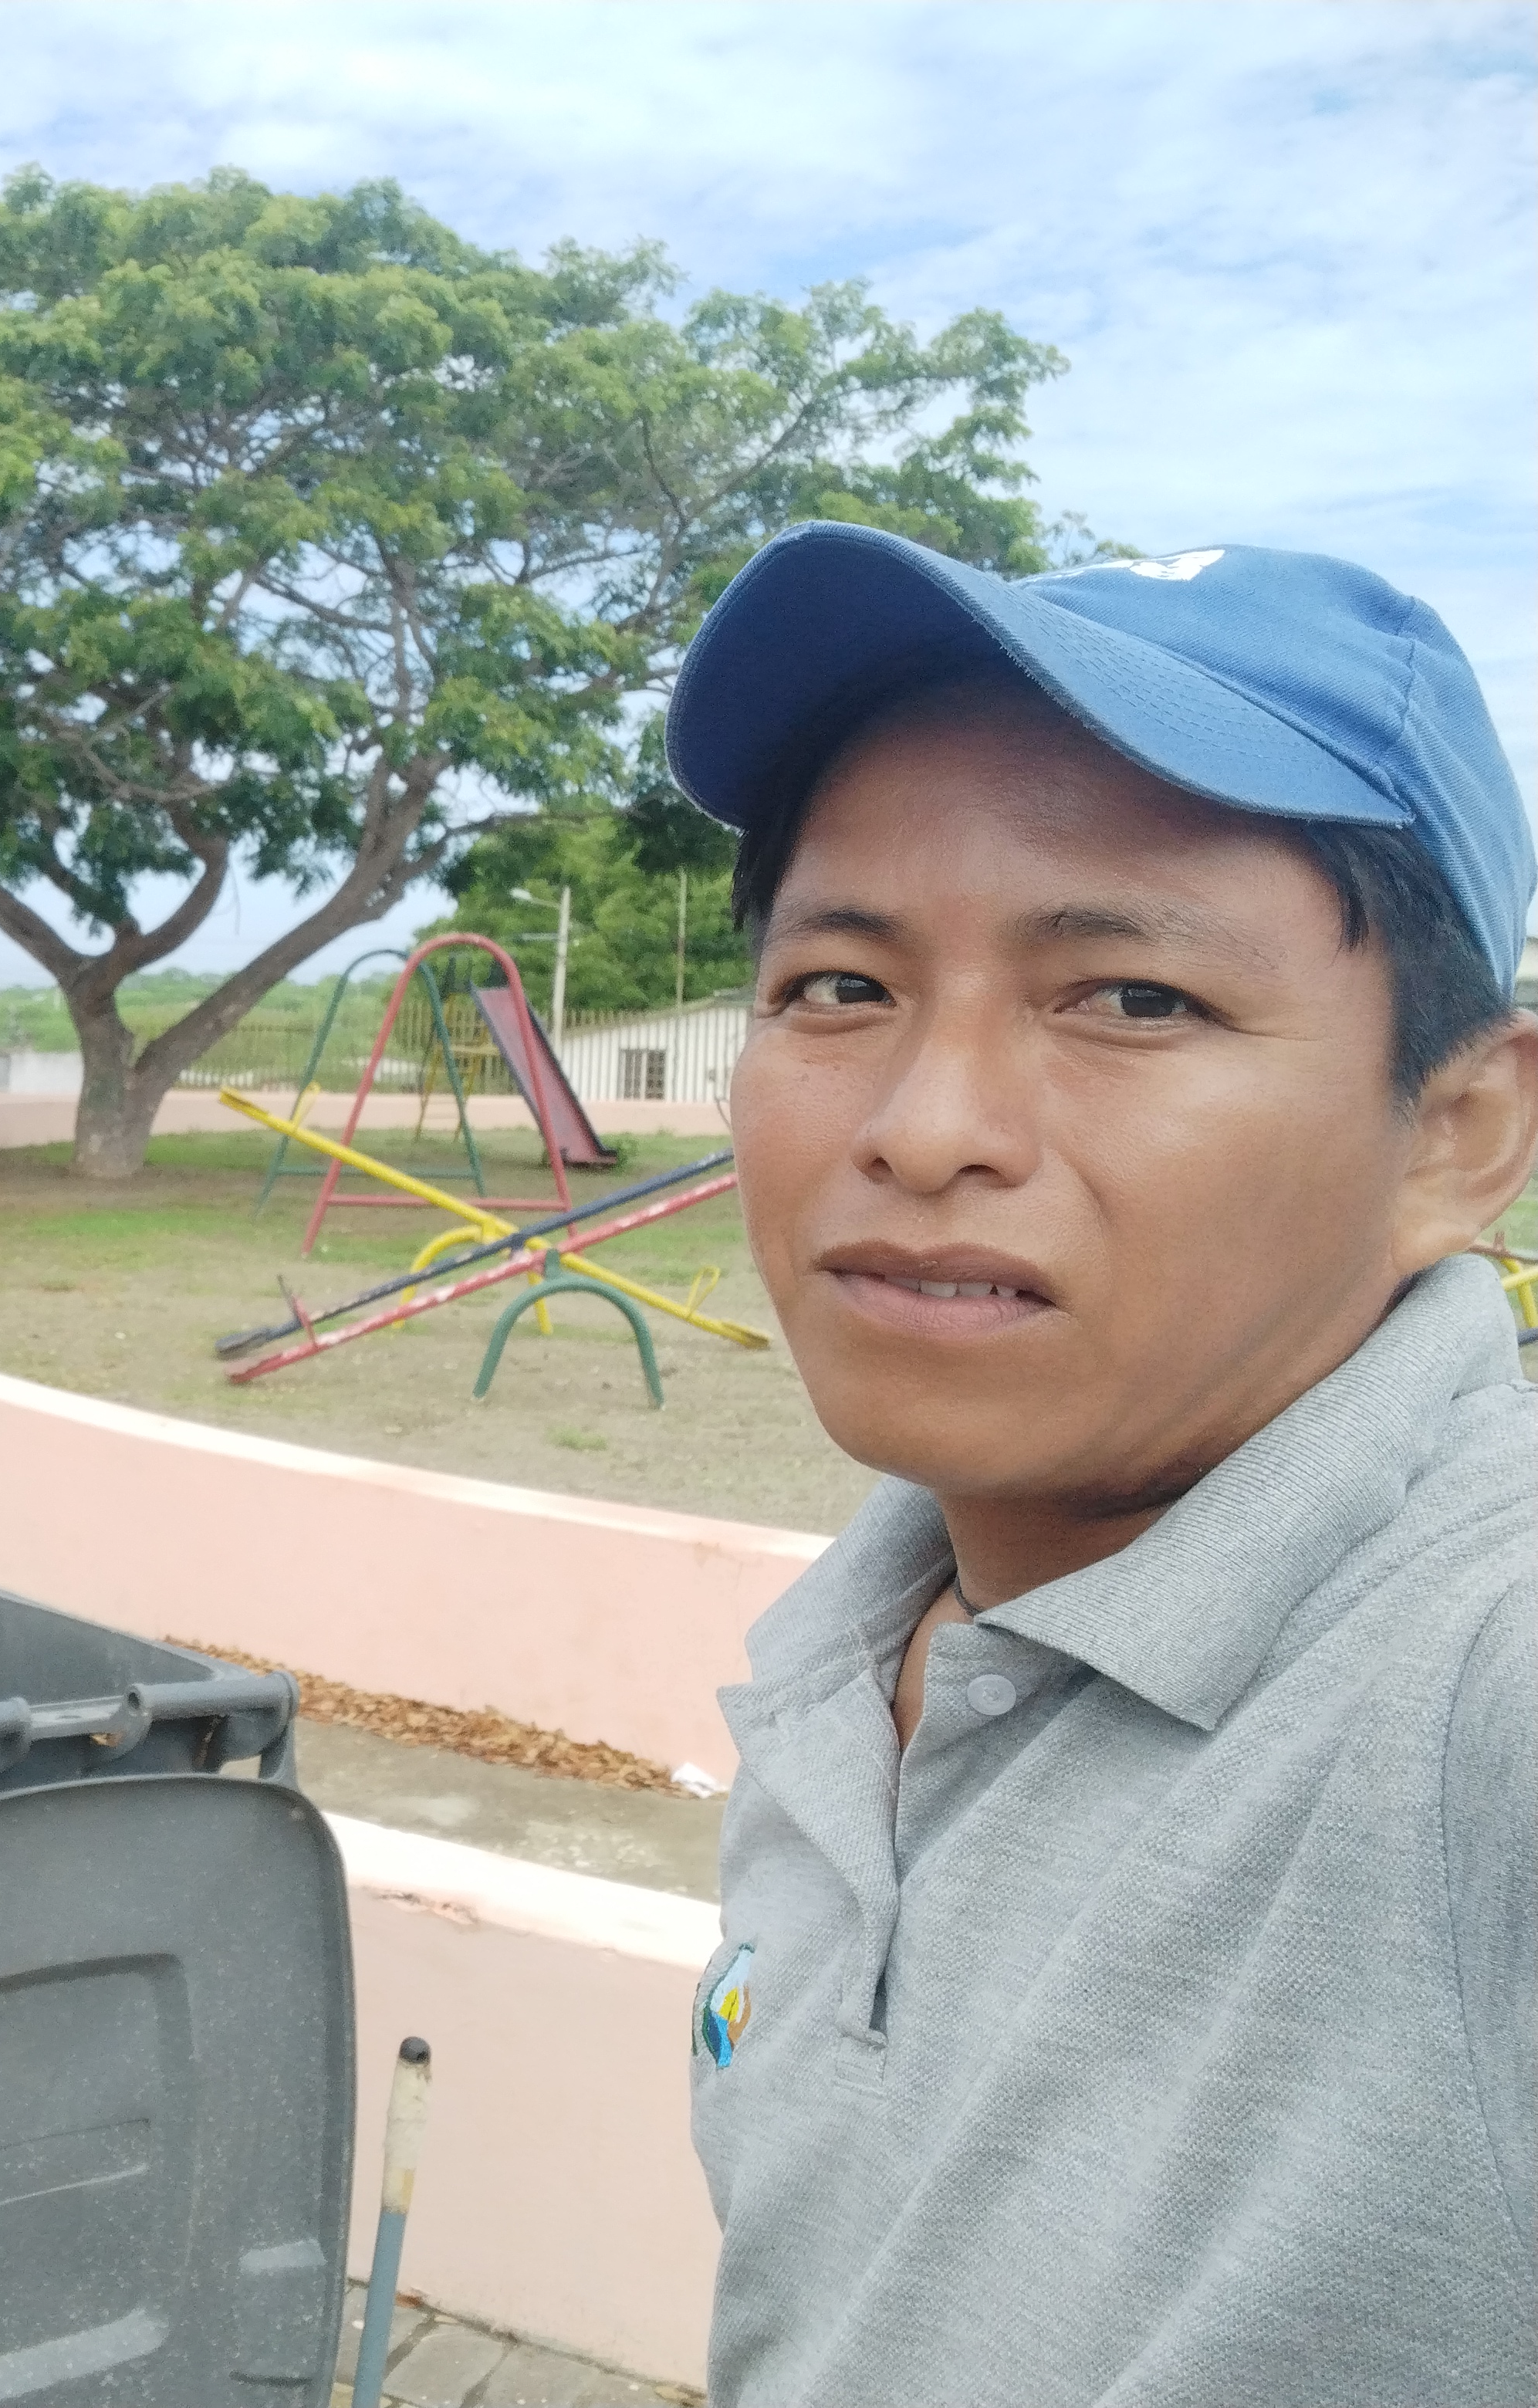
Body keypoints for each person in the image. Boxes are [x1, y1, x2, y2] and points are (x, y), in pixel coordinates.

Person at [661, 524, 1537, 2406]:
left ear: (1457, 1133)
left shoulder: (1482, 1692)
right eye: (839, 986)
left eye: (1131, 1000)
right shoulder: (866, 1639)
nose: (925, 1129)